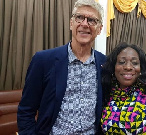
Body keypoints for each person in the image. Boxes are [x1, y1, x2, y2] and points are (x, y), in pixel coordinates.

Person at [17, 0, 106, 134]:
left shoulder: (105, 63)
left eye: (92, 20)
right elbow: (26, 110)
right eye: (79, 17)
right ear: (71, 23)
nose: (85, 24)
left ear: (99, 29)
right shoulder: (43, 60)